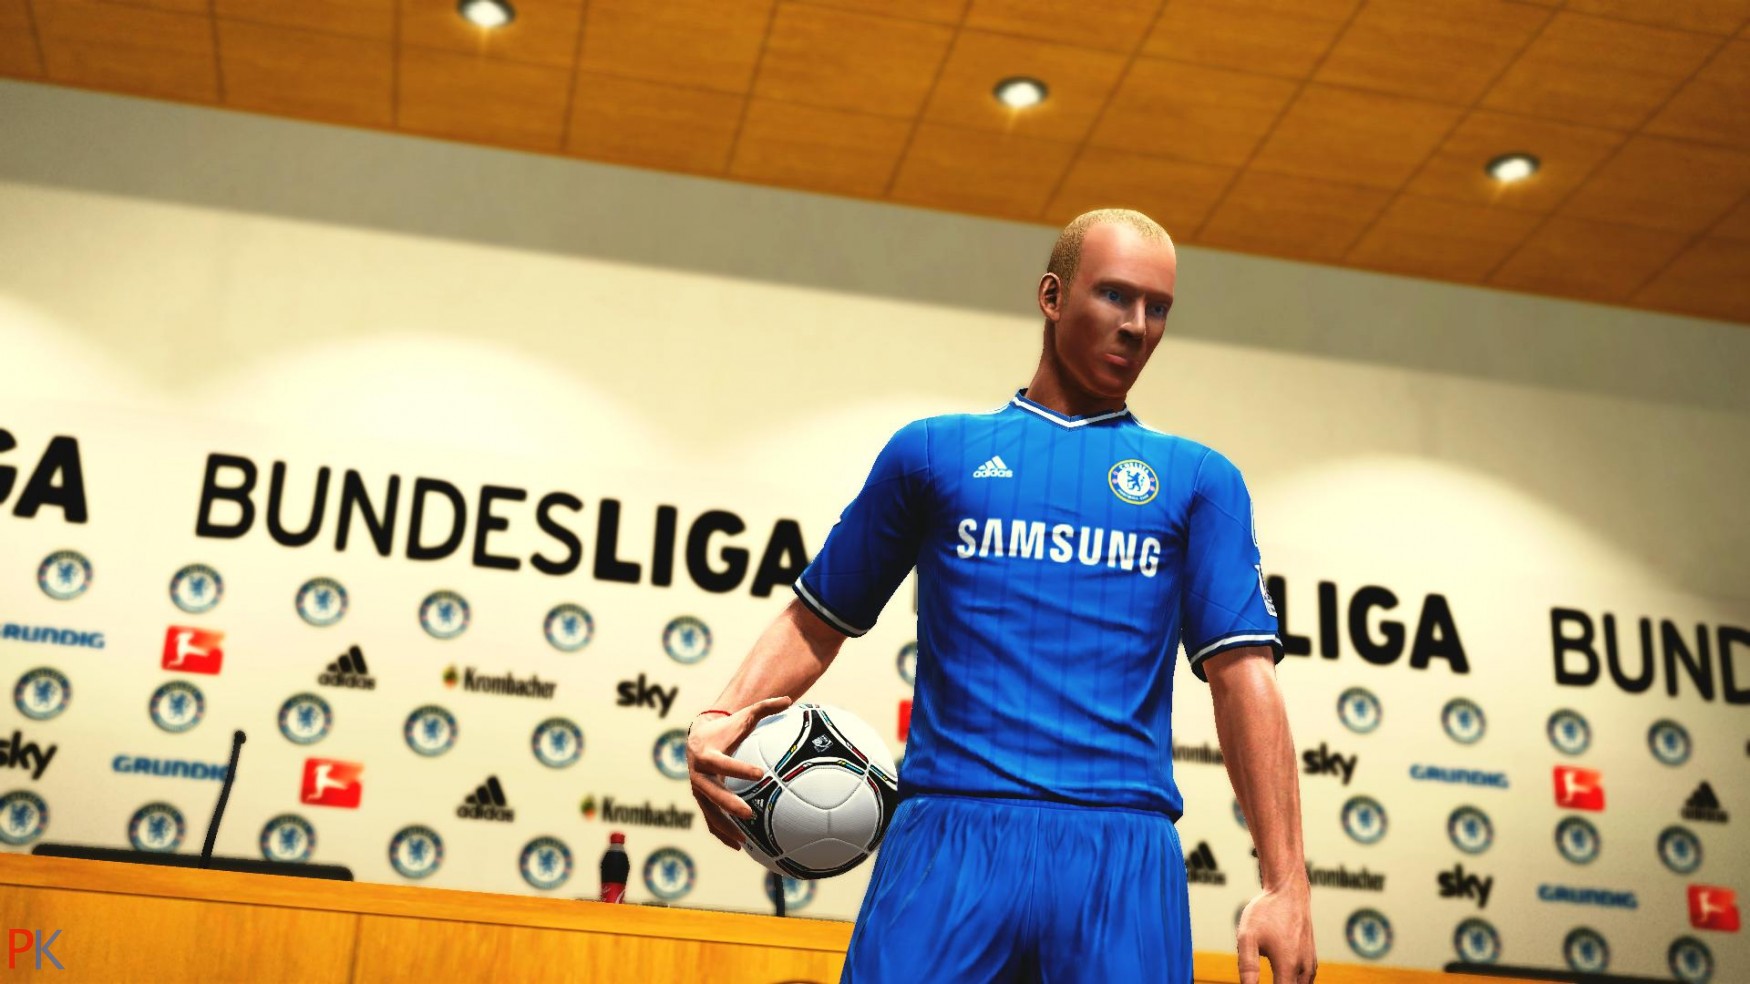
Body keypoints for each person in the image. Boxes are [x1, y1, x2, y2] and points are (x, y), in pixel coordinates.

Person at [685, 209, 1316, 984]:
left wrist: (1286, 883)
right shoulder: (932, 454)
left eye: (1158, 308)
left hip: (1121, 854)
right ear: (1052, 296)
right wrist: (721, 714)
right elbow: (819, 618)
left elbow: (1244, 677)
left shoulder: (1200, 481)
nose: (1137, 326)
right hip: (947, 837)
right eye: (1115, 296)